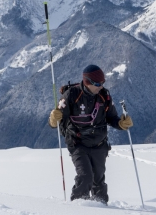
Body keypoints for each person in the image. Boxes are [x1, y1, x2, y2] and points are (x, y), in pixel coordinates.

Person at [48, 64, 133, 204]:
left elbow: (112, 118)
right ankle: (79, 206)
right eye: (98, 83)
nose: (101, 86)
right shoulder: (71, 95)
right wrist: (53, 118)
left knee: (98, 179)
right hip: (78, 144)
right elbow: (55, 122)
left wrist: (121, 124)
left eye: (102, 82)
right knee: (85, 176)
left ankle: (101, 207)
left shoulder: (104, 96)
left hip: (99, 144)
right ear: (87, 82)